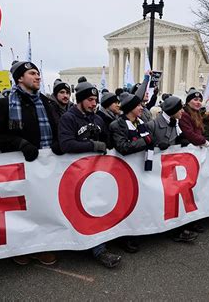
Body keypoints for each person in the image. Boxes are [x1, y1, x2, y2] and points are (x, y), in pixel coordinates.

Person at [0, 61, 60, 266]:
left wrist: (58, 143)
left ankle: (43, 247)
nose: (38, 77)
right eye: (32, 73)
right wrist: (19, 142)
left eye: (38, 74)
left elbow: (56, 128)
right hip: (20, 166)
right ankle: (21, 247)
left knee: (44, 206)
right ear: (19, 78)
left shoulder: (46, 102)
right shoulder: (3, 104)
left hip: (46, 166)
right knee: (22, 211)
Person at [58, 81, 121, 268]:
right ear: (80, 100)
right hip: (76, 174)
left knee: (98, 208)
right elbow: (66, 144)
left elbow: (107, 141)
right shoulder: (69, 118)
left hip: (96, 174)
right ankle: (97, 250)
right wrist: (92, 146)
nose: (94, 104)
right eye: (90, 100)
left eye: (96, 100)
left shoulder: (98, 119)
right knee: (83, 211)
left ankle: (100, 245)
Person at [146, 96, 199, 241]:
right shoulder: (153, 125)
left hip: (172, 169)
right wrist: (156, 146)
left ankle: (178, 229)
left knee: (175, 200)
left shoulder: (176, 123)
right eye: (179, 108)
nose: (182, 111)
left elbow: (178, 137)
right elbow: (145, 147)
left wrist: (182, 140)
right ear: (172, 110)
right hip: (157, 171)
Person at [110, 90, 155, 252]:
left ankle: (137, 231)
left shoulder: (140, 121)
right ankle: (125, 237)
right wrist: (145, 141)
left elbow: (149, 139)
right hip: (124, 172)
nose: (142, 107)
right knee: (126, 205)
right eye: (138, 105)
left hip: (140, 171)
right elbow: (123, 147)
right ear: (129, 108)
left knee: (139, 204)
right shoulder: (117, 124)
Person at [178, 89, 209, 232]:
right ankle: (187, 222)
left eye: (200, 100)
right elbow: (188, 133)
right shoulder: (184, 115)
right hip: (189, 155)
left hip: (196, 153)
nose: (198, 102)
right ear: (188, 101)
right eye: (195, 100)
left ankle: (194, 219)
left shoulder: (197, 114)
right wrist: (203, 141)